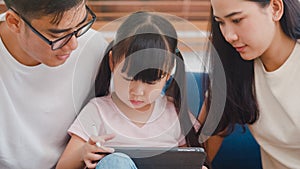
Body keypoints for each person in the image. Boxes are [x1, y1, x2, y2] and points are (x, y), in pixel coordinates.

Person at [56, 11, 203, 169]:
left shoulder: (174, 114)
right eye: (128, 78)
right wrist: (83, 153)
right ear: (112, 63)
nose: (138, 92)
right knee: (116, 162)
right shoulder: (98, 111)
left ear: (167, 75)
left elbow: (188, 160)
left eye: (151, 82)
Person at [0, 0, 107, 168]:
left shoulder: (95, 48)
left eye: (80, 25)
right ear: (15, 23)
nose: (73, 45)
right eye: (59, 35)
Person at [205, 0, 300, 168]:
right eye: (220, 22)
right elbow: (201, 147)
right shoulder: (235, 68)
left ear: (275, 8)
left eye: (236, 20)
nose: (228, 36)